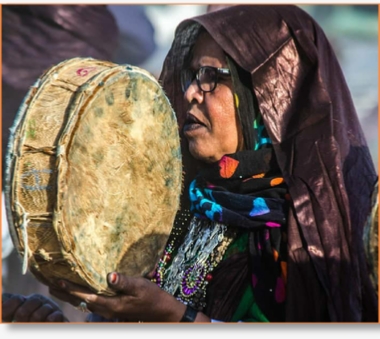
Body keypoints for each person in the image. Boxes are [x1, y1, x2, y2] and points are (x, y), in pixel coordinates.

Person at [2, 5, 378, 323]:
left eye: (211, 77)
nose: (190, 92)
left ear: (269, 93)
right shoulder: (182, 210)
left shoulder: (310, 235)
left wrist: (177, 319)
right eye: (192, 75)